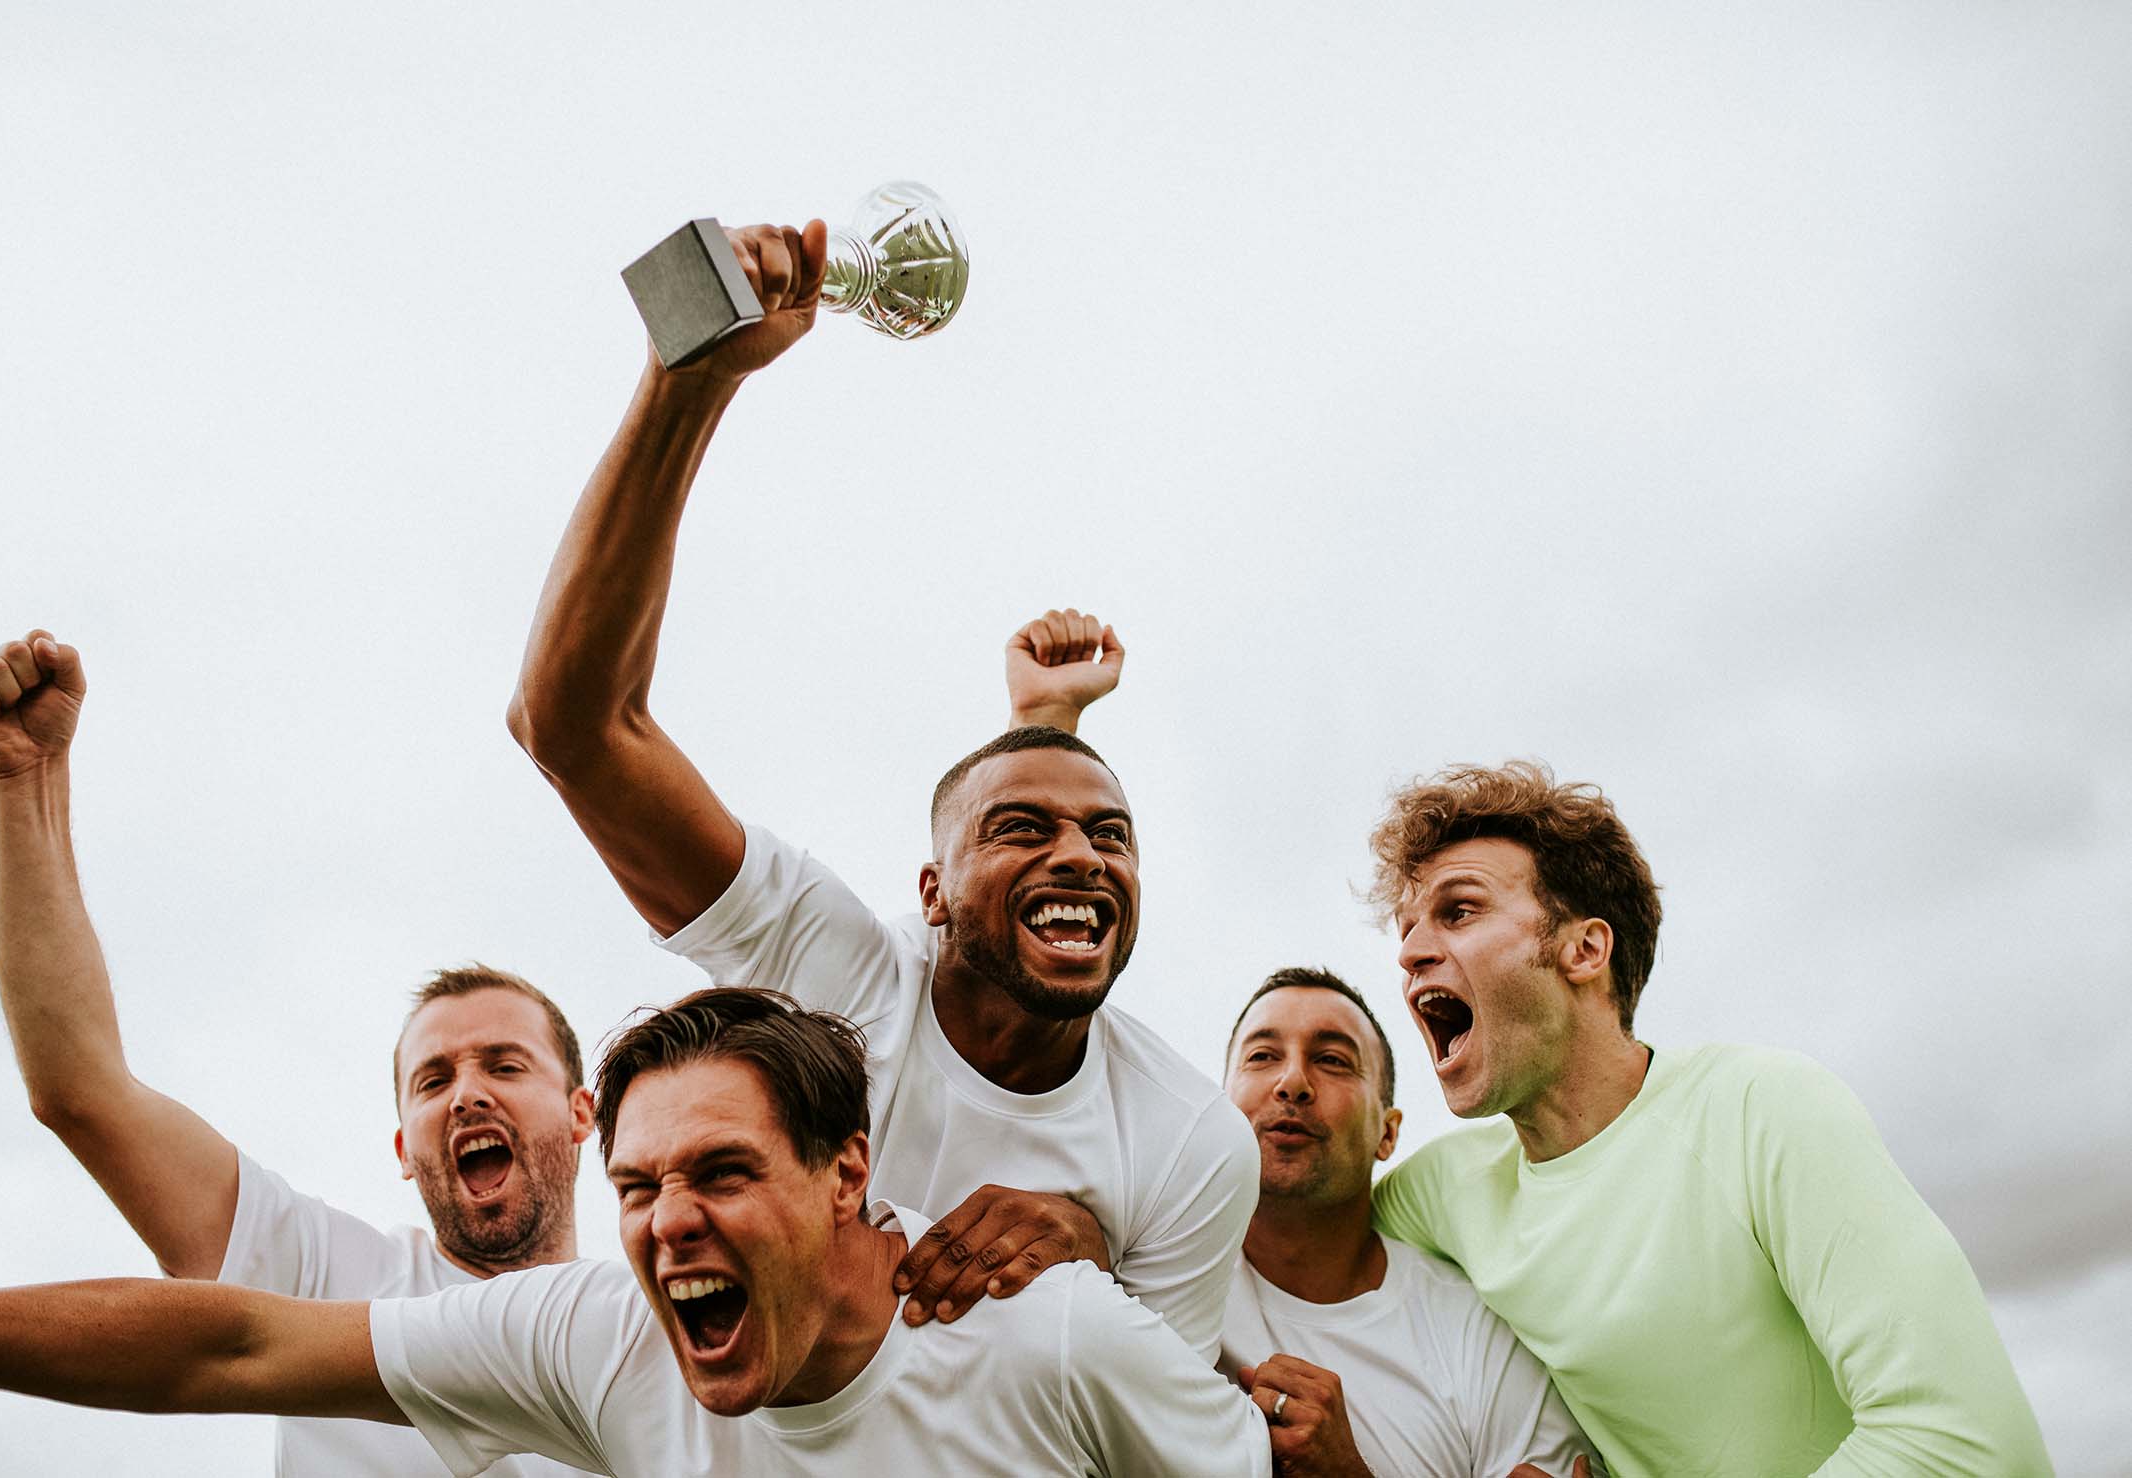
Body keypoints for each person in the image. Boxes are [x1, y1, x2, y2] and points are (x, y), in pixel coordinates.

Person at [505, 223, 1257, 1356]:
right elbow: (574, 722)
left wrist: (1087, 1271)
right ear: (930, 893)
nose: (1085, 856)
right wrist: (690, 376)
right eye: (1025, 828)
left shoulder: (1192, 1137)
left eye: (1113, 835)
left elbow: (1161, 1436)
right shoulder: (839, 975)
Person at [0, 988, 1293, 1478]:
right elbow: (230, 1345)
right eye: (638, 1187)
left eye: (721, 1172)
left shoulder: (1049, 1337)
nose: (671, 1220)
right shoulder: (596, 1336)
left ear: (843, 1174)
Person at [0, 630, 601, 1477]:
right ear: (405, 1150)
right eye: (432, 1080)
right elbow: (82, 1091)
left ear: (584, 1111)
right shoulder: (328, 1273)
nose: (466, 1095)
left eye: (505, 1065)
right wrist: (24, 778)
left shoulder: (664, 1346)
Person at [1367, 761, 2053, 1476]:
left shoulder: (1764, 1108)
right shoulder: (1442, 1194)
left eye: (1459, 910)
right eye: (1408, 929)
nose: (1410, 954)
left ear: (1584, 950)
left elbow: (1965, 1442)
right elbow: (1297, 1234)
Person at [1222, 968, 1595, 1478]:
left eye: (1332, 1060)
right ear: (1219, 1109)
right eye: (1262, 1056)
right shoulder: (1150, 1273)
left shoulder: (1472, 1328)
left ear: (1387, 1133)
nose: (1292, 1083)